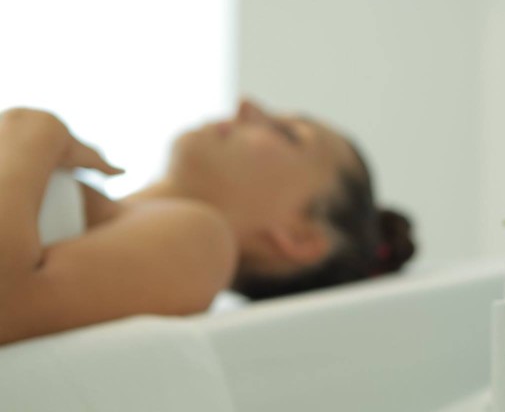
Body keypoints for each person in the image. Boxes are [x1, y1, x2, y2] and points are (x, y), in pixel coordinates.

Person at [0, 100, 415, 346]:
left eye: (287, 133)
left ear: (300, 236)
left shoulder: (203, 241)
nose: (246, 104)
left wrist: (33, 132)